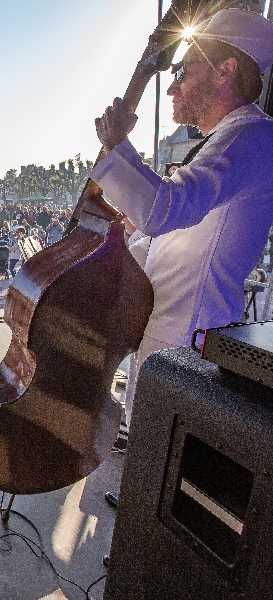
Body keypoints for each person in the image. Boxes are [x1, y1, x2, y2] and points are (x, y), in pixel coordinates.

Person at [92, 8, 273, 430]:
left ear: (225, 70)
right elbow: (173, 230)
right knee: (147, 455)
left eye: (183, 72)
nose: (173, 88)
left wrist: (117, 144)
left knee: (158, 460)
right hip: (168, 329)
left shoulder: (251, 136)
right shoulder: (226, 139)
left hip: (187, 334)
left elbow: (164, 209)